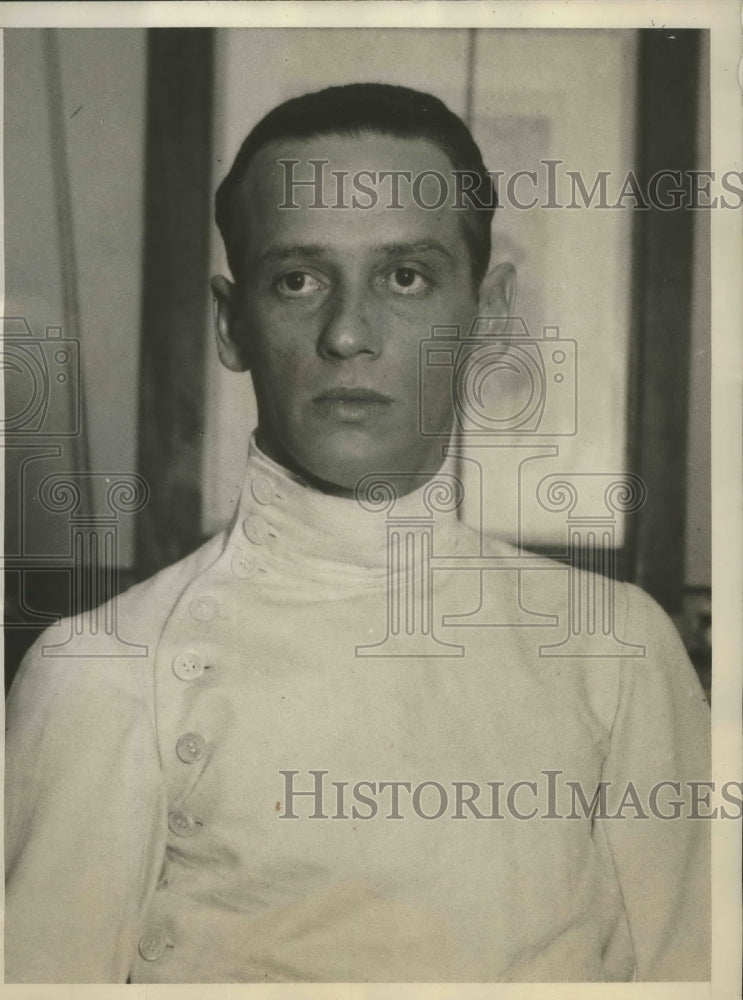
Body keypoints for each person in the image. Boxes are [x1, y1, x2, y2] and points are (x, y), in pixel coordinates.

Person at [5, 83, 710, 983]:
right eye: (298, 280)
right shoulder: (100, 669)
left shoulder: (617, 650)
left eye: (404, 277)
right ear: (232, 323)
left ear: (488, 312)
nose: (347, 333)